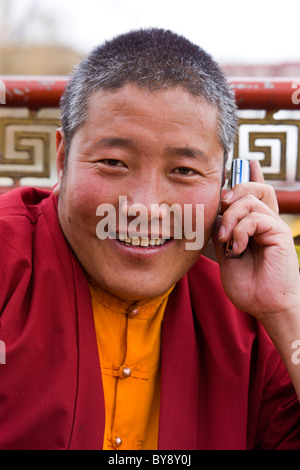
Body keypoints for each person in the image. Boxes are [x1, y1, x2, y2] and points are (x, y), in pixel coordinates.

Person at [0, 28, 300, 451]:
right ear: (63, 159)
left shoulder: (249, 322)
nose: (145, 207)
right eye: (113, 162)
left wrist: (287, 309)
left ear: (228, 187)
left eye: (184, 171)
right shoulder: (7, 261)